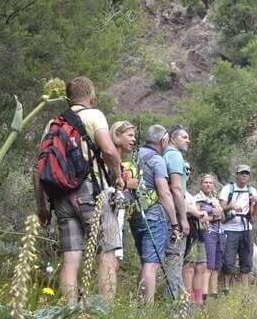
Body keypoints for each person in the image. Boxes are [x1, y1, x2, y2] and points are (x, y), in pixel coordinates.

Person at [34, 77, 122, 305]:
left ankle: (69, 311)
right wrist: (117, 177)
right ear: (92, 98)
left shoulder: (53, 123)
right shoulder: (94, 115)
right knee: (106, 253)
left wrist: (41, 206)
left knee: (70, 258)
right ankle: (103, 311)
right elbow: (109, 150)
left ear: (67, 99)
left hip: (61, 198)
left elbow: (39, 167)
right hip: (91, 193)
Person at [129, 124, 180, 305]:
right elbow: (164, 193)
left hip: (135, 215)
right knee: (152, 264)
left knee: (145, 263)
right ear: (162, 140)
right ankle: (146, 309)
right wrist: (174, 223)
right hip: (154, 216)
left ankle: (140, 304)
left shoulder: (133, 156)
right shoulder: (157, 160)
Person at [104, 120, 139, 300]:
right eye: (130, 135)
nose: (133, 140)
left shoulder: (120, 161)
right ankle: (106, 302)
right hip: (110, 213)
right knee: (111, 258)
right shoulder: (110, 158)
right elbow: (107, 185)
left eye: (134, 136)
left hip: (117, 213)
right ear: (117, 136)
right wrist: (126, 184)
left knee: (114, 259)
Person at [161, 125, 192, 300]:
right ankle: (174, 304)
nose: (188, 141)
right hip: (173, 215)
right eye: (184, 137)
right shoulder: (174, 155)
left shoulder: (164, 155)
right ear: (173, 139)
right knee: (175, 258)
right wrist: (183, 219)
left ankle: (174, 299)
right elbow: (176, 188)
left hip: (164, 213)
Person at [219, 165, 257, 290]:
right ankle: (226, 287)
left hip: (246, 229)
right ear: (236, 175)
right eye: (242, 173)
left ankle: (244, 290)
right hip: (229, 229)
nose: (244, 176)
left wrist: (256, 202)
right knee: (228, 260)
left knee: (246, 260)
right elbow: (221, 208)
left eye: (246, 173)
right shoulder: (227, 189)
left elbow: (253, 214)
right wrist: (232, 207)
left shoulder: (252, 191)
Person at [193, 174, 224, 301]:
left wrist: (220, 211)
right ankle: (204, 294)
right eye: (205, 182)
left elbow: (222, 218)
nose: (208, 184)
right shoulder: (197, 199)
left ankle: (214, 292)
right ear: (201, 184)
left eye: (210, 183)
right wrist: (213, 216)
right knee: (208, 264)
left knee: (216, 264)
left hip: (219, 233)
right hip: (207, 232)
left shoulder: (215, 200)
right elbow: (199, 217)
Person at [181, 164, 208, 304]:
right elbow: (184, 208)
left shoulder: (189, 195)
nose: (187, 172)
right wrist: (198, 213)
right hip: (186, 230)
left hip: (197, 230)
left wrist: (201, 216)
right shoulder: (175, 190)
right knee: (189, 266)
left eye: (189, 169)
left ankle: (198, 300)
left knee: (201, 265)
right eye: (184, 169)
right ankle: (188, 298)